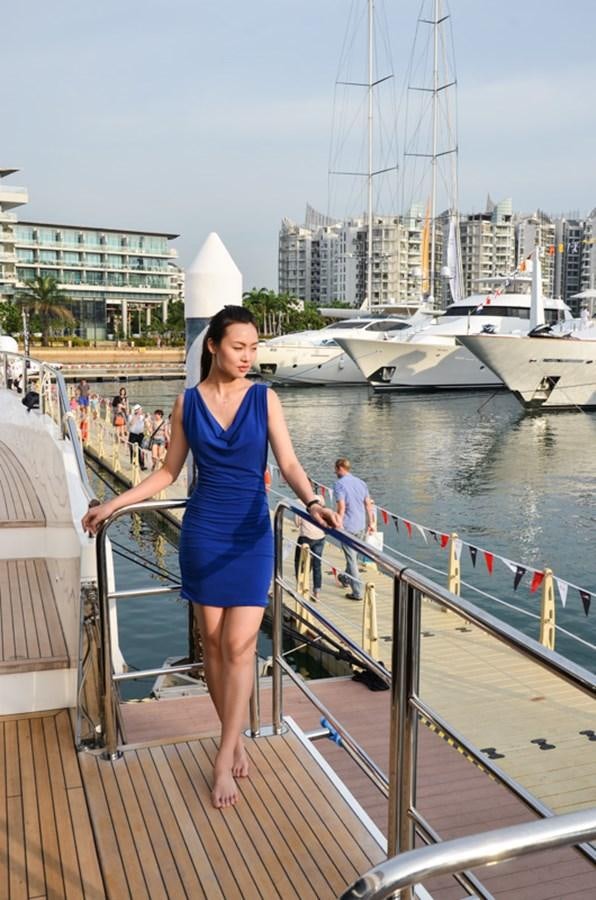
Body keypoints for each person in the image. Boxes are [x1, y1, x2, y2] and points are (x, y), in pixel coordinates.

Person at [81, 305, 337, 809]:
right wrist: (113, 502)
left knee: (240, 646)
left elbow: (287, 462)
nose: (248, 356)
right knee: (214, 646)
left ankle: (223, 759)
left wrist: (312, 501)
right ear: (214, 346)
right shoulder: (188, 403)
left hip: (248, 534)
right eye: (238, 346)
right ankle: (233, 737)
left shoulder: (265, 399)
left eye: (254, 347)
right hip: (202, 532)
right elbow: (166, 473)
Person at [333, 457, 375, 600]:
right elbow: (368, 505)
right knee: (353, 557)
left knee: (351, 559)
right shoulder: (361, 483)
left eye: (335, 469)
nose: (335, 472)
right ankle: (345, 578)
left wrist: (338, 523)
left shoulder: (339, 484)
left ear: (340, 468)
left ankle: (357, 592)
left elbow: (341, 506)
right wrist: (371, 522)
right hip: (361, 525)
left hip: (348, 526)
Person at [294, 494, 326, 600]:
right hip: (320, 536)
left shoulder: (299, 501)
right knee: (317, 564)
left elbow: (297, 523)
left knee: (301, 563)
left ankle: (302, 587)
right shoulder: (320, 498)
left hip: (306, 537)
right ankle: (317, 591)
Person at [127, 403, 146, 468]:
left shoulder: (142, 416)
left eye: (141, 410)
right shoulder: (131, 416)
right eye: (140, 410)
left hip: (140, 434)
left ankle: (142, 464)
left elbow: (146, 423)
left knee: (140, 449)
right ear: (136, 410)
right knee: (133, 449)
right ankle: (133, 462)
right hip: (133, 434)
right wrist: (136, 416)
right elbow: (131, 424)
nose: (141, 411)